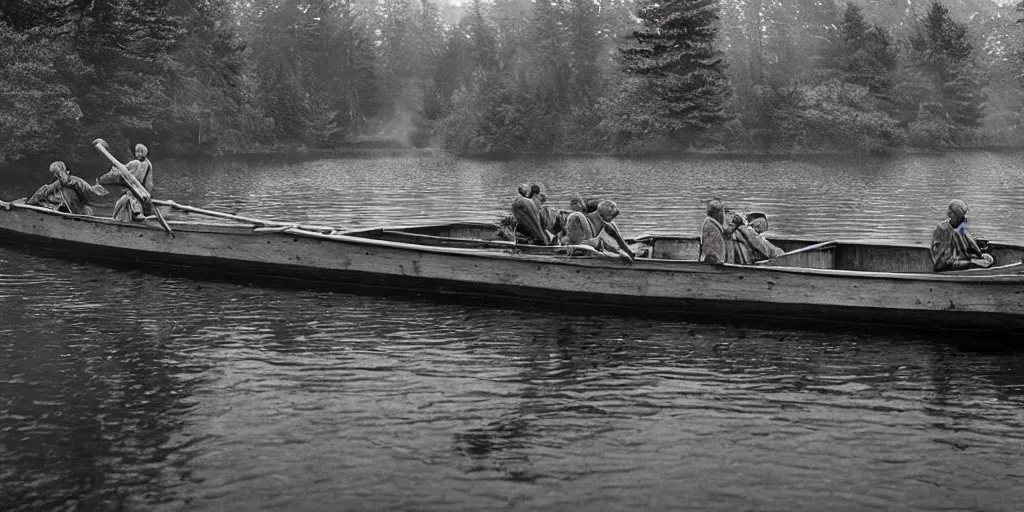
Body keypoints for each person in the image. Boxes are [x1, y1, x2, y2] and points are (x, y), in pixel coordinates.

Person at [930, 199, 994, 271]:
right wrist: (969, 260)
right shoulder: (943, 228)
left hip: (961, 258)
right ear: (950, 214)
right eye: (959, 218)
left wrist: (980, 254)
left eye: (962, 218)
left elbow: (969, 242)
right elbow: (943, 256)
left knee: (989, 259)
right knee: (973, 264)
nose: (961, 221)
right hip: (948, 263)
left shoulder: (959, 227)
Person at [561, 199, 635, 261]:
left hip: (593, 254)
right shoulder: (577, 218)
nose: (609, 221)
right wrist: (619, 255)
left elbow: (603, 244)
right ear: (600, 214)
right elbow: (581, 245)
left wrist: (617, 238)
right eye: (609, 218)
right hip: (578, 256)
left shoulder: (605, 224)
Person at [97, 143, 154, 222]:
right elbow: (124, 169)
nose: (138, 154)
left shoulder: (145, 164)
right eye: (137, 152)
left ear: (144, 152)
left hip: (140, 188)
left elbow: (144, 179)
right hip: (136, 187)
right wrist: (117, 171)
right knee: (129, 195)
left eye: (140, 152)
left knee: (132, 196)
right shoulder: (135, 163)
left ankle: (137, 213)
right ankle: (128, 215)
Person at [26, 161, 108, 215]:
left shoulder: (76, 181)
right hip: (69, 206)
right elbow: (46, 190)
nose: (57, 175)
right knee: (47, 189)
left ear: (63, 171)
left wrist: (98, 193)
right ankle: (29, 205)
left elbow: (90, 193)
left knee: (66, 192)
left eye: (58, 172)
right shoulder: (59, 182)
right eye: (55, 174)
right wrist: (31, 203)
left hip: (81, 209)